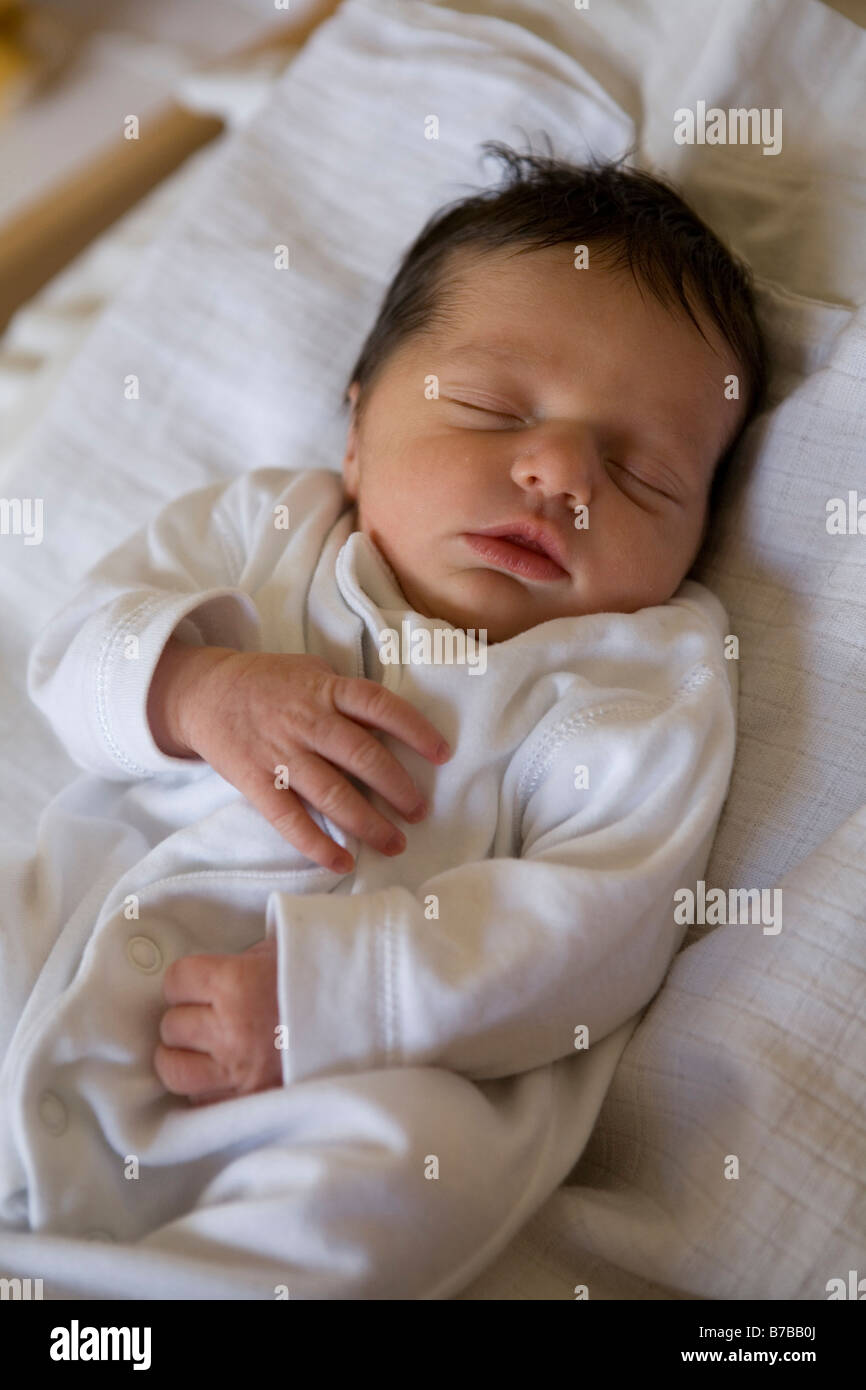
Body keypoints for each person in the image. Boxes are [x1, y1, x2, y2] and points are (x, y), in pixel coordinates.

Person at [0, 144, 767, 1299]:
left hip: (326, 1087)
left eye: (642, 474)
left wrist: (328, 1000)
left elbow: (592, 926)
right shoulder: (270, 527)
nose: (560, 472)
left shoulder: (638, 678)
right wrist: (194, 689)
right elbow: (69, 653)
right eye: (491, 408)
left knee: (425, 1168)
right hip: (62, 957)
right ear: (355, 432)